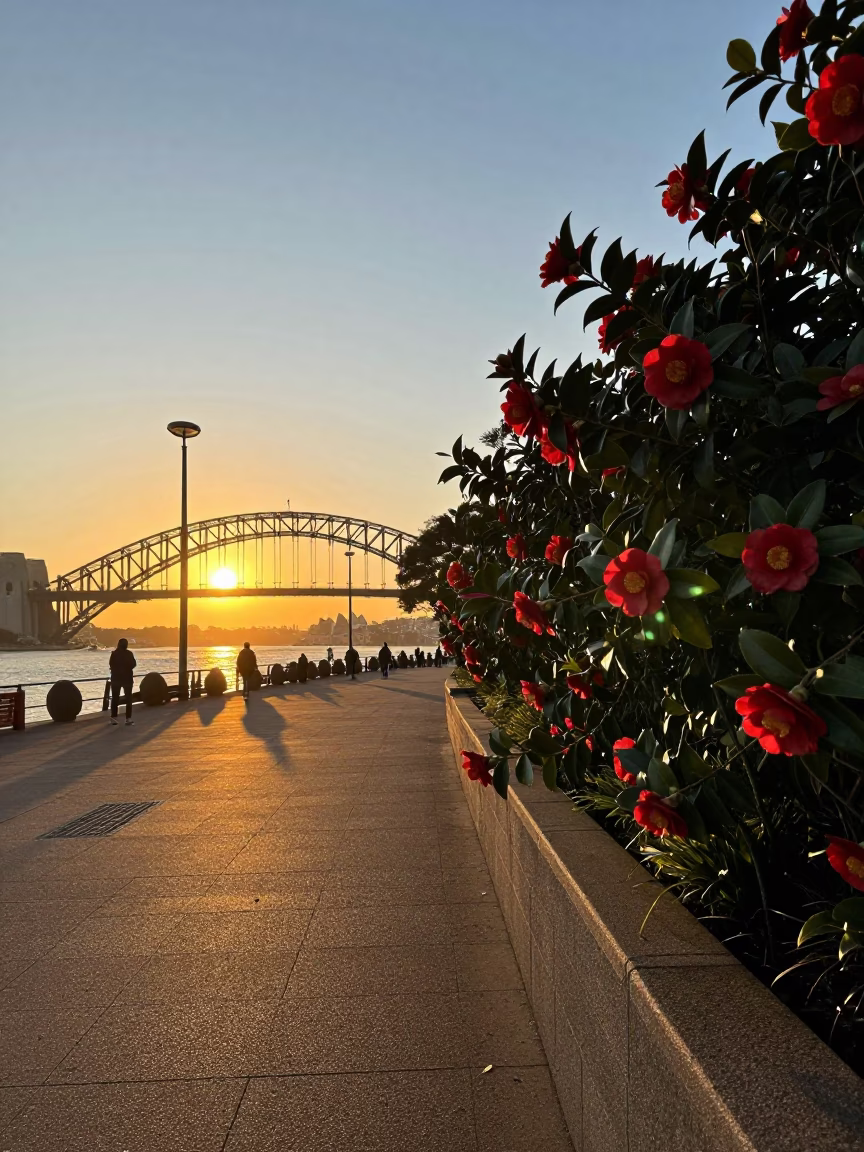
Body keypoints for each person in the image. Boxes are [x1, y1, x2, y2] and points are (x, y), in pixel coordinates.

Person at [108, 637, 136, 726]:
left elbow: (111, 664)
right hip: (127, 679)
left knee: (115, 698)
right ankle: (128, 718)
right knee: (128, 699)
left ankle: (114, 718)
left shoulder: (114, 654)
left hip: (116, 679)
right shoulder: (129, 654)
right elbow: (133, 664)